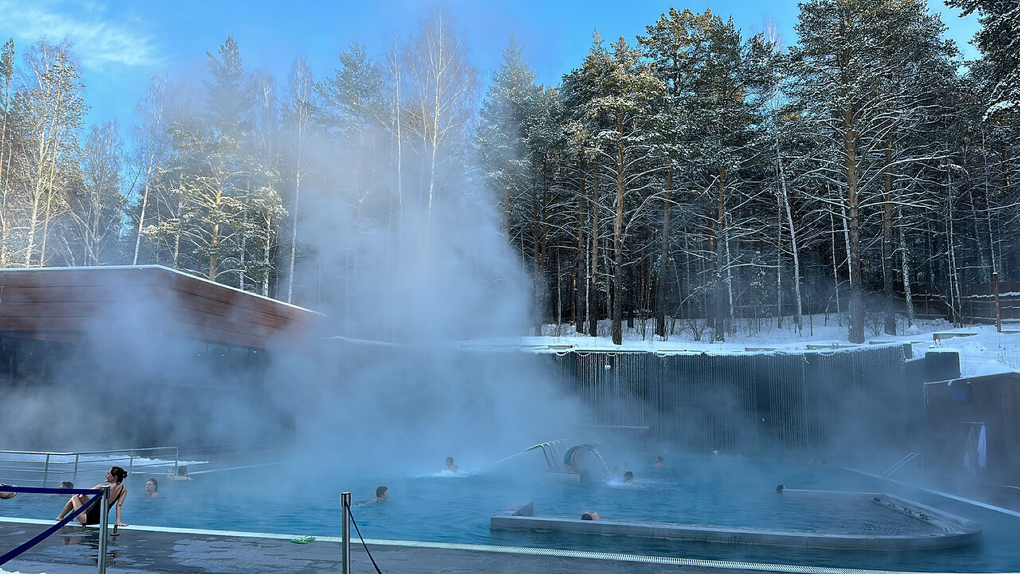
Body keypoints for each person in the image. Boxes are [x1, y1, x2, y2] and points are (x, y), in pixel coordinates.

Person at [56, 466, 128, 527]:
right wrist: (119, 522)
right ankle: (70, 517)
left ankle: (60, 517)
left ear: (114, 477)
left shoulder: (102, 487)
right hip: (99, 520)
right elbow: (119, 505)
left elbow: (85, 493)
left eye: (108, 474)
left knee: (74, 497)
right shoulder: (123, 489)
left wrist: (78, 495)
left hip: (86, 520)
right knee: (81, 497)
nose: (106, 476)